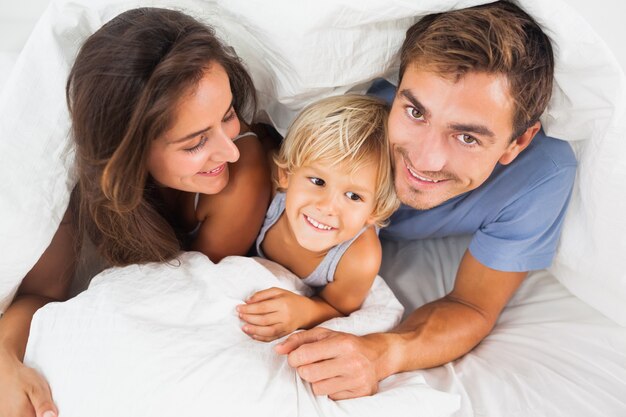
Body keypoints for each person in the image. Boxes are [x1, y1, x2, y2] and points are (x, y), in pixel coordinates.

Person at [275, 1, 577, 400]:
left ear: (517, 142)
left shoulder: (541, 175)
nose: (424, 159)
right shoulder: (357, 103)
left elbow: (472, 305)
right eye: (415, 111)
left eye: (467, 137)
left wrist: (382, 353)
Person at [0, 7, 270, 417]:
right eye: (195, 142)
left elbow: (190, 297)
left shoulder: (240, 179)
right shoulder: (83, 183)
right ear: (132, 152)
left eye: (228, 114)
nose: (229, 150)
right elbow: (40, 292)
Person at [237, 95, 400, 342]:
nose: (327, 207)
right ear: (286, 175)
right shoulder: (269, 193)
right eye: (318, 181)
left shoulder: (359, 258)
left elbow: (337, 307)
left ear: (374, 212)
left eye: (353, 196)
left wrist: (304, 311)